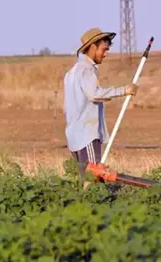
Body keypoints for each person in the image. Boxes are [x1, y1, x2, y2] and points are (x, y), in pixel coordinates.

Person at [63, 27, 139, 189]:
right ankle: (89, 210)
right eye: (104, 50)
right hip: (87, 135)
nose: (106, 54)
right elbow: (94, 94)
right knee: (93, 179)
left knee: (87, 179)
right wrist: (124, 90)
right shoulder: (86, 70)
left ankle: (81, 210)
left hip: (75, 136)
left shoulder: (72, 73)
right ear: (92, 47)